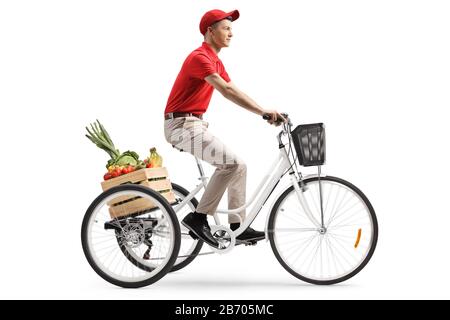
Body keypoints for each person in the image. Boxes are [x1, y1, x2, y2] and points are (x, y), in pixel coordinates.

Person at [164, 9, 285, 247]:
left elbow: (234, 90)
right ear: (210, 31)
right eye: (226, 28)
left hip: (193, 124)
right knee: (232, 164)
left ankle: (237, 228)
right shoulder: (200, 57)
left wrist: (264, 110)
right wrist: (263, 112)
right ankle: (198, 218)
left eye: (231, 28)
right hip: (180, 126)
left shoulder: (215, 61)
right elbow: (227, 92)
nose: (231, 33)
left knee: (238, 167)